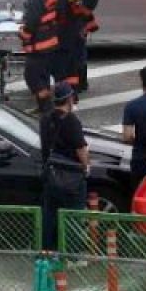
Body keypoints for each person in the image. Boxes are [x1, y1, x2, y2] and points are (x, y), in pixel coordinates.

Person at [40, 81, 88, 250]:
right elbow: (81, 149)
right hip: (71, 175)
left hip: (51, 173)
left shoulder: (45, 119)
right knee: (74, 214)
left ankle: (48, 250)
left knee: (50, 214)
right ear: (69, 99)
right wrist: (86, 166)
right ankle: (73, 252)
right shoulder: (71, 121)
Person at [50, 0, 99, 91]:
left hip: (72, 25)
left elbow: (84, 0)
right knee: (75, 55)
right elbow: (75, 2)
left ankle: (78, 85)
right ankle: (78, 85)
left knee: (75, 55)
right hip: (75, 22)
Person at [20, 0, 61, 114]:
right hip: (50, 41)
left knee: (32, 76)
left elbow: (31, 22)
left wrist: (23, 34)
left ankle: (47, 107)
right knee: (43, 76)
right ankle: (43, 106)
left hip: (40, 44)